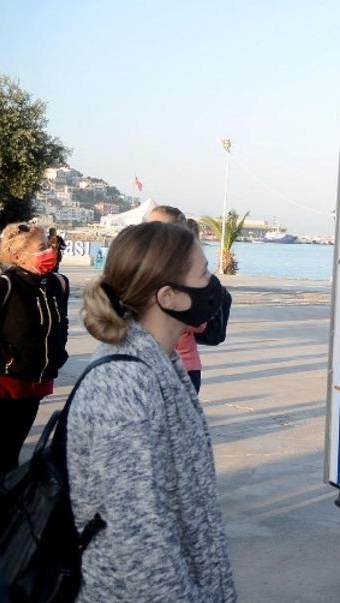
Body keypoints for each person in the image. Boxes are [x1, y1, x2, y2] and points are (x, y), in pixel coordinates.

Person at [70, 221, 236, 601]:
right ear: (169, 297)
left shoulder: (159, 363)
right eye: (204, 273)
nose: (213, 285)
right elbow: (142, 543)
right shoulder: (125, 387)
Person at [0, 223, 69, 473]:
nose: (49, 252)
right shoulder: (6, 285)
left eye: (48, 246)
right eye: (41, 248)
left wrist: (59, 352)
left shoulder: (58, 283)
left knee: (13, 449)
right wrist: (7, 360)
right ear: (18, 257)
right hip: (7, 384)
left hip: (38, 381)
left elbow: (62, 323)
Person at [144, 205, 232, 392]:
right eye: (146, 227)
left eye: (157, 228)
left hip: (183, 365)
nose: (147, 234)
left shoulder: (185, 270)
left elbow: (200, 319)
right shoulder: (141, 270)